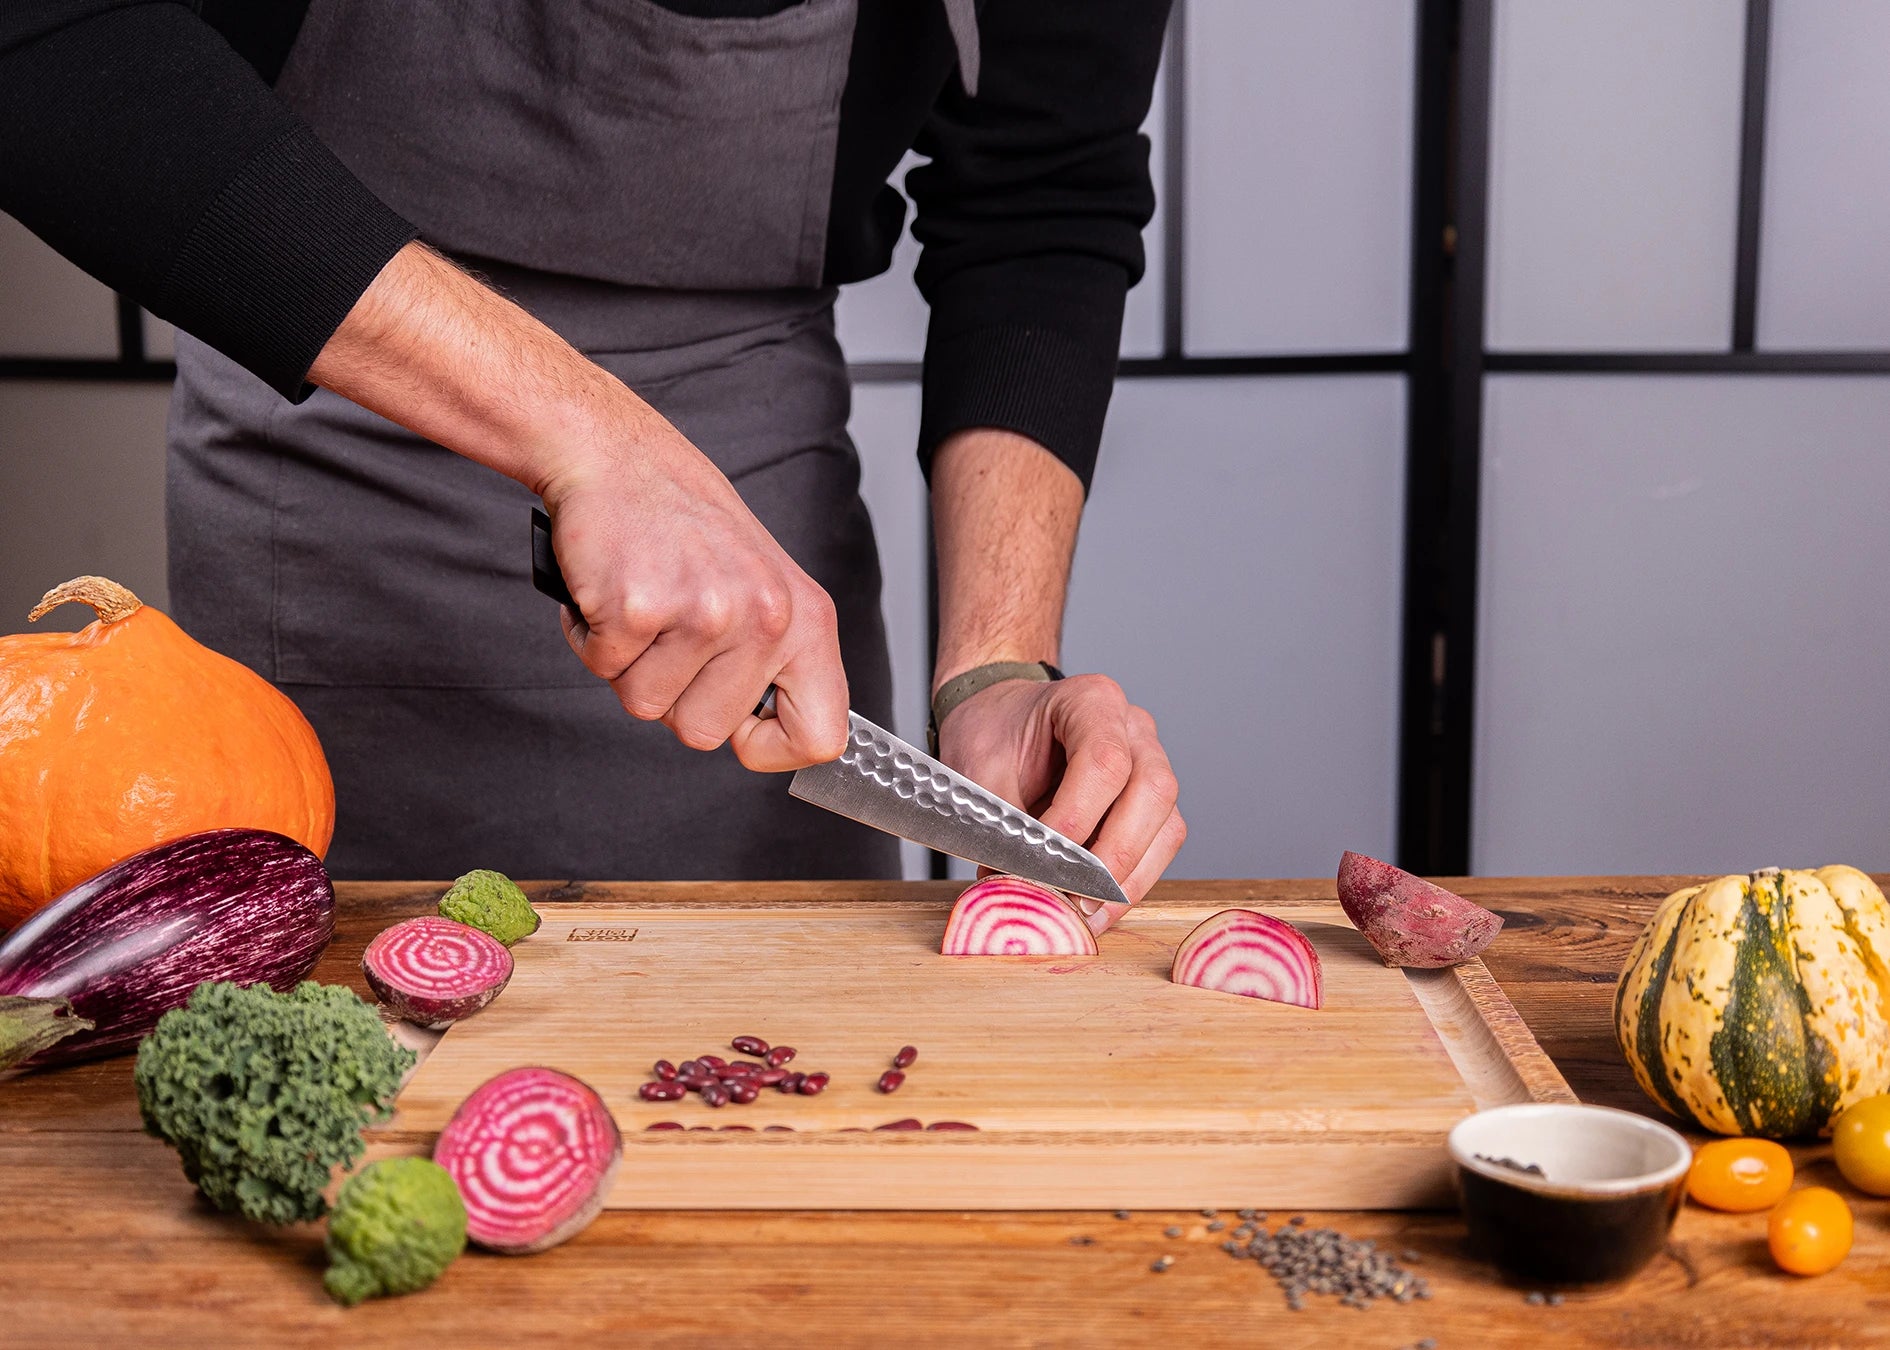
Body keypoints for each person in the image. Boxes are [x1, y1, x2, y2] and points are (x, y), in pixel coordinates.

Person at [0, 0, 1185, 903]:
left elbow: (1044, 187)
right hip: (329, 438)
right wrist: (588, 432)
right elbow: (53, 29)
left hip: (756, 528)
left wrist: (995, 673)